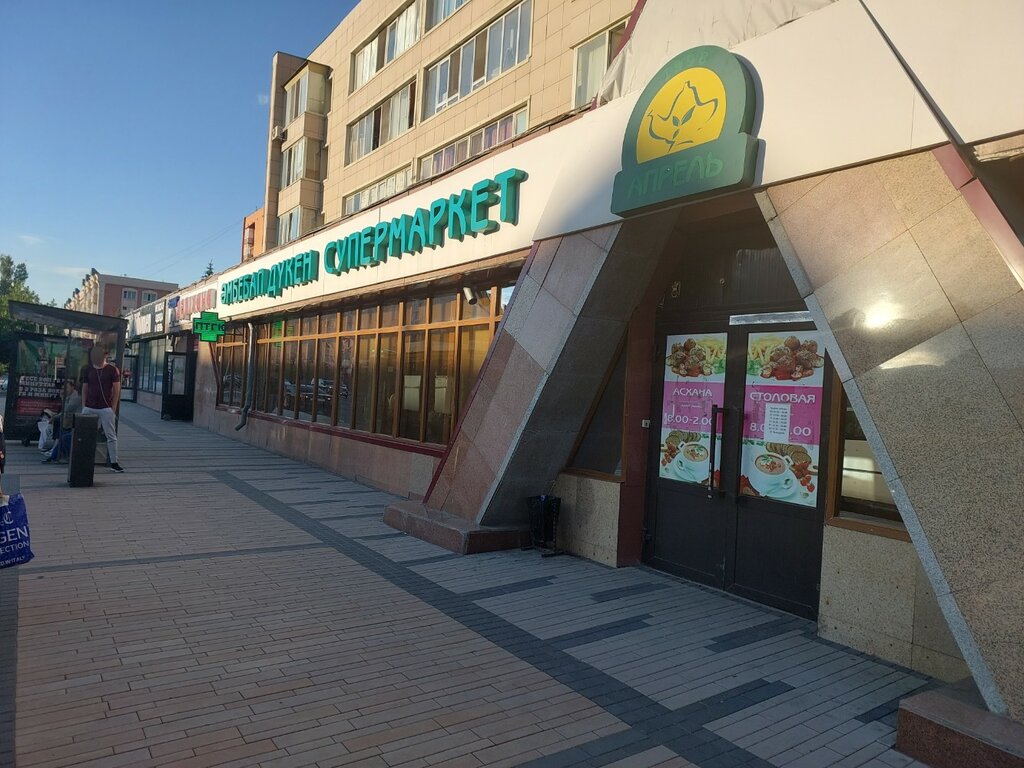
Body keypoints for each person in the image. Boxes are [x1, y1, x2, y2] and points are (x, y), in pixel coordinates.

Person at [80, 346, 124, 472]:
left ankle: (114, 462)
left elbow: (116, 390)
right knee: (84, 434)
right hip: (89, 407)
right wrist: (84, 406)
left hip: (106, 407)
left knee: (111, 435)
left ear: (105, 355)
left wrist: (113, 408)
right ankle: (83, 459)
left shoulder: (112, 370)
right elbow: (84, 388)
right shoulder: (88, 369)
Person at [42, 380, 82, 464]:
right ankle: (54, 453)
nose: (65, 390)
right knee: (60, 431)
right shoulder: (70, 396)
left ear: (72, 387)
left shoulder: (76, 398)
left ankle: (55, 454)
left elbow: (66, 409)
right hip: (68, 421)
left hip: (73, 423)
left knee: (63, 435)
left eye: (66, 388)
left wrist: (62, 397)